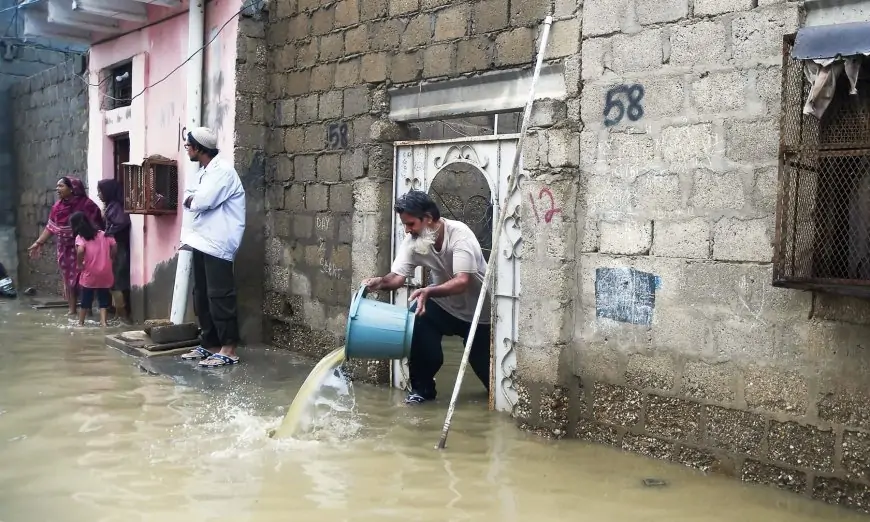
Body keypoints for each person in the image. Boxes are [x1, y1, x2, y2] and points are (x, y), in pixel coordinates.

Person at [362, 190, 491, 405]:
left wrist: (429, 290)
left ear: (428, 219)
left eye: (411, 224)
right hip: (444, 305)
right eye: (405, 225)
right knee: (419, 318)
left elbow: (462, 281)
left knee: (487, 373)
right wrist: (380, 282)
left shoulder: (460, 235)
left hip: (479, 312)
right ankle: (422, 390)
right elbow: (397, 277)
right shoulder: (414, 240)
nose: (407, 230)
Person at [177, 127, 247, 368]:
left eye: (188, 146)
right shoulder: (203, 173)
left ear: (198, 148)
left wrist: (193, 200)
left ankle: (229, 348)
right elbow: (189, 198)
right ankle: (210, 344)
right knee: (203, 295)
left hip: (218, 242)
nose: (187, 150)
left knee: (220, 295)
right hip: (200, 240)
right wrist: (192, 200)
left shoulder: (223, 172)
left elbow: (200, 202)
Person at [28, 177, 105, 316]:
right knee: (68, 279)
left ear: (72, 188)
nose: (57, 189)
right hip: (65, 249)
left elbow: (96, 228)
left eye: (61, 186)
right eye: (57, 186)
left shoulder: (87, 205)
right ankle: (72, 310)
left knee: (84, 278)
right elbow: (50, 227)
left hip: (84, 248)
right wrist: (38, 243)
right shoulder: (57, 207)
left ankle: (86, 309)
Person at [71, 211, 116, 327]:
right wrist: (111, 258)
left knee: (86, 298)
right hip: (106, 272)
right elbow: (114, 245)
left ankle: (80, 322)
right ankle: (104, 322)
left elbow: (80, 250)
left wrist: (80, 264)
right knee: (103, 298)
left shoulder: (80, 238)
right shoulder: (102, 234)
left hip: (90, 272)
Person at [97, 179, 132, 322]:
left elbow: (121, 223)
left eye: (100, 191)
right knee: (113, 281)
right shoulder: (111, 206)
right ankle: (119, 314)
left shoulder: (117, 207)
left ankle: (123, 315)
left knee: (116, 281)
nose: (99, 195)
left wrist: (106, 233)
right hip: (114, 247)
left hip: (119, 247)